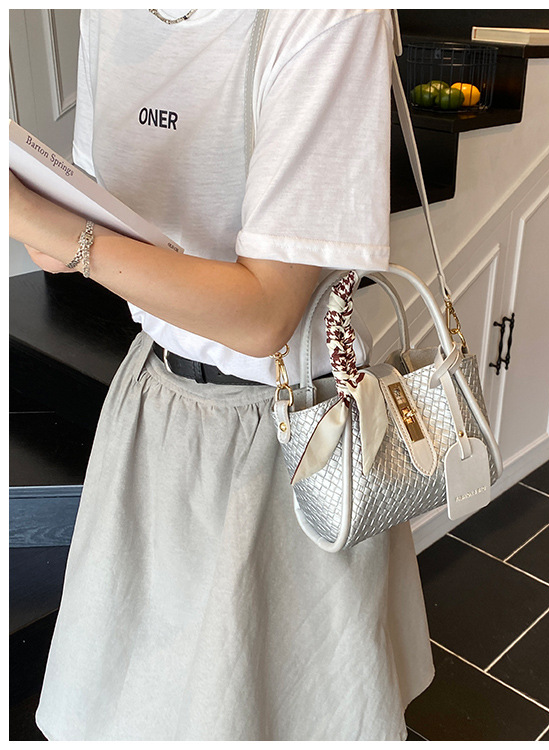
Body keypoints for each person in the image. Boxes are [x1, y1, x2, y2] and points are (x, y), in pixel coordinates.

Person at [9, 9, 434, 741]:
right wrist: (48, 221)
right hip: (152, 405)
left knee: (270, 710)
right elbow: (78, 235)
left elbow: (265, 313)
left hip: (291, 437)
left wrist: (45, 225)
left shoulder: (328, 18)